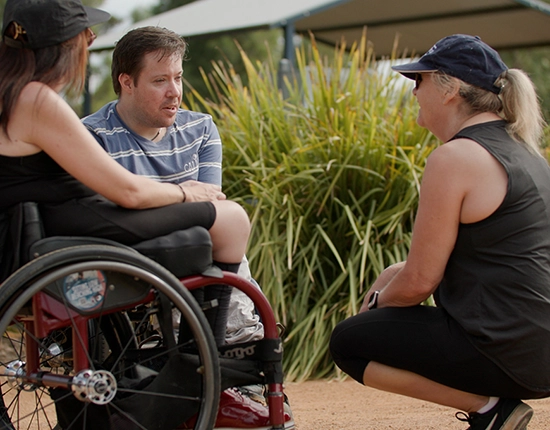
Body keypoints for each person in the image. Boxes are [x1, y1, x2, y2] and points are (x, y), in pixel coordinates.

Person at [0, 0, 249, 377]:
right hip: (82, 227)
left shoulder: (10, 95)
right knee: (231, 219)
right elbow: (128, 192)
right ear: (64, 45)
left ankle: (191, 351)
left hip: (45, 231)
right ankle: (203, 363)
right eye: (85, 35)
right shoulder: (37, 100)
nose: (90, 42)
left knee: (217, 217)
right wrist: (186, 193)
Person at [329, 34, 550, 430]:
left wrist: (374, 308)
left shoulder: (456, 157)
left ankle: (491, 410)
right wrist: (388, 281)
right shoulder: (524, 151)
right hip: (538, 349)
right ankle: (494, 407)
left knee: (348, 342)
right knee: (389, 285)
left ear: (450, 89)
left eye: (419, 81)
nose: (413, 92)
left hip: (507, 354)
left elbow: (420, 283)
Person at [81, 26, 294, 430]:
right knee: (225, 235)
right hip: (133, 252)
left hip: (196, 243)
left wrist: (157, 197)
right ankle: (211, 382)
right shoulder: (94, 134)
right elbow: (115, 211)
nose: (174, 91)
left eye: (177, 78)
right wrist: (179, 193)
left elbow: (209, 202)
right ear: (126, 82)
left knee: (225, 232)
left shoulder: (200, 129)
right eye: (160, 81)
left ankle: (218, 375)